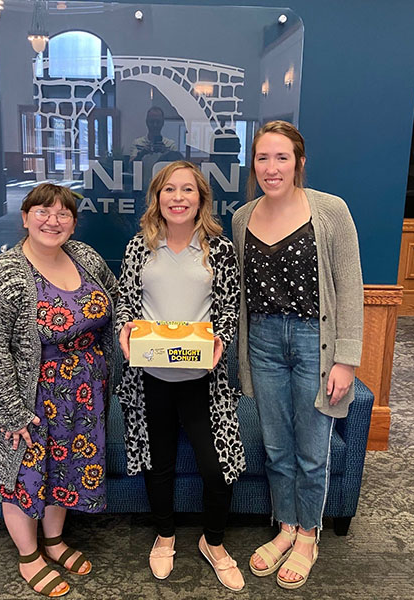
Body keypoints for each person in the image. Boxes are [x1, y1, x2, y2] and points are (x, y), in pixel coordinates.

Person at [232, 121, 363, 590]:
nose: (271, 168)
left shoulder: (330, 211)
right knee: (275, 446)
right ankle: (285, 526)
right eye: (263, 158)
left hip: (316, 343)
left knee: (312, 450)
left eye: (281, 157)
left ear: (299, 162)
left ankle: (309, 535)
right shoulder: (243, 217)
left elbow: (349, 288)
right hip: (264, 342)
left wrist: (346, 359)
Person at [0, 183, 117, 597]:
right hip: (30, 396)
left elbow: (116, 298)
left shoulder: (85, 257)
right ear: (24, 217)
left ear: (73, 223)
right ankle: (29, 554)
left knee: (66, 468)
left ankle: (54, 542)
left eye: (63, 214)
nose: (52, 221)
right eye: (42, 211)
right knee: (25, 474)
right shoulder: (2, 274)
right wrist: (11, 412)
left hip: (86, 388)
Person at [116, 161, 246, 592]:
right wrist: (124, 328)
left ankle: (214, 542)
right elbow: (125, 303)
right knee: (159, 465)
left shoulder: (219, 249)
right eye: (168, 189)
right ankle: (166, 535)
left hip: (201, 379)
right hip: (150, 377)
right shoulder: (140, 247)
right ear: (157, 197)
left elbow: (229, 310)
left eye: (187, 190)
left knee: (218, 469)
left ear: (201, 199)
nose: (177, 197)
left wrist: (222, 341)